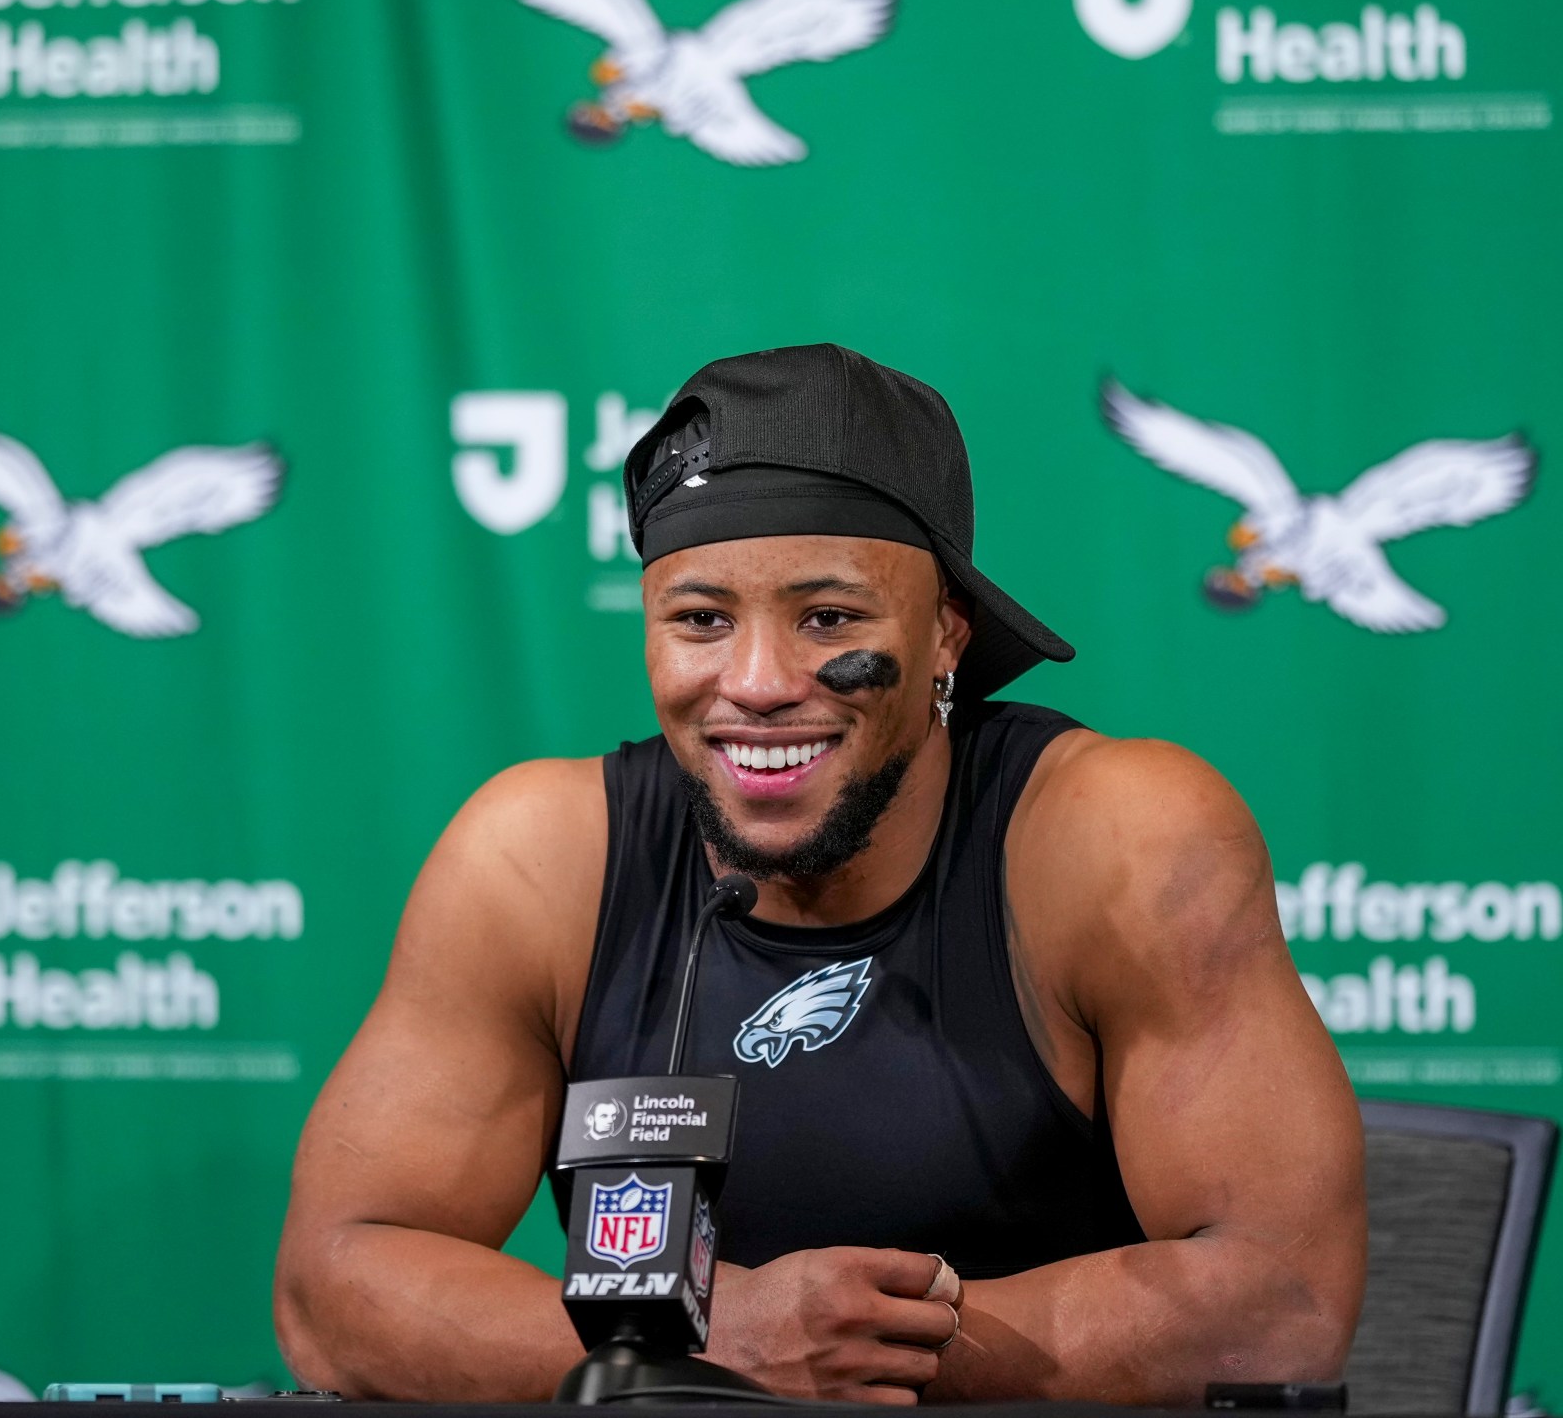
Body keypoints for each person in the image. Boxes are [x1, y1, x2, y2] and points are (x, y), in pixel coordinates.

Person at [272, 345, 1365, 1404]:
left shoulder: (1116, 835)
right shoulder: (536, 857)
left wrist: (848, 1355)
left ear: (946, 634)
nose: (755, 684)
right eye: (700, 620)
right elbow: (334, 1289)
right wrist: (716, 1340)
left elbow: (1280, 1299)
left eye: (828, 618)